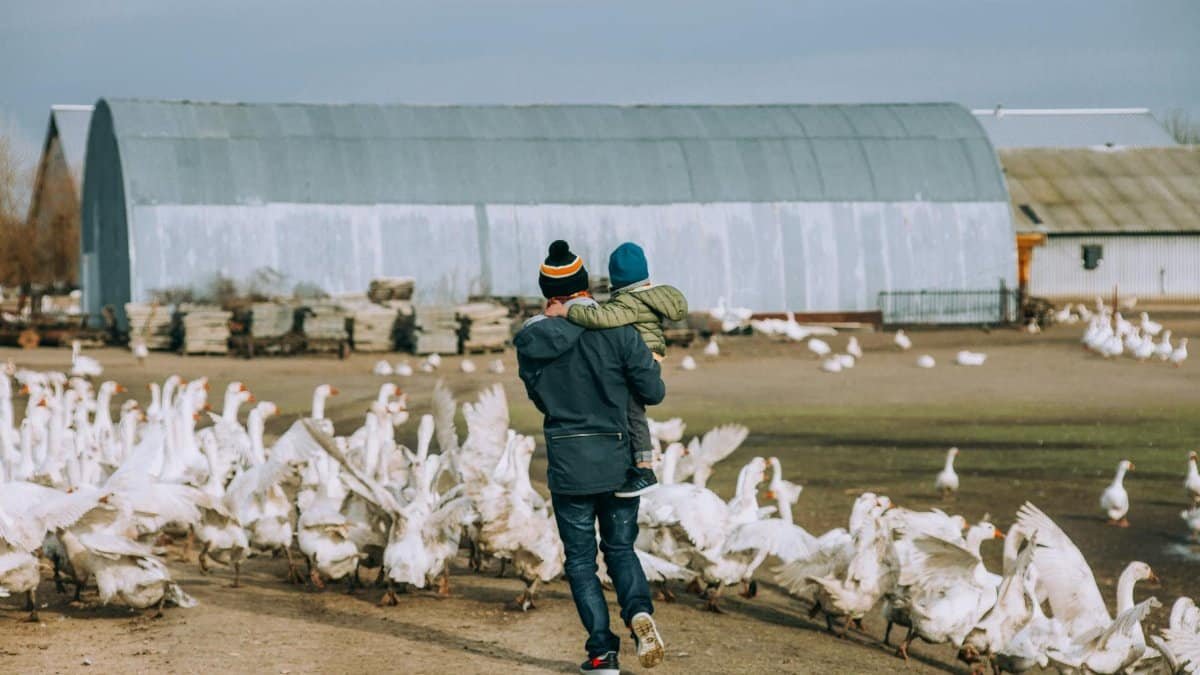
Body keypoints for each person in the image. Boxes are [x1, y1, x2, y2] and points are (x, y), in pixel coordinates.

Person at [515, 239, 667, 675]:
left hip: (568, 462)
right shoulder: (619, 331)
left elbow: (541, 399)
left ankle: (602, 654)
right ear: (586, 287)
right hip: (619, 460)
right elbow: (653, 393)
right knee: (620, 548)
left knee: (581, 561)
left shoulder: (531, 341)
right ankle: (638, 611)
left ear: (549, 292)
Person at [544, 241, 687, 498]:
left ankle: (644, 469)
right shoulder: (652, 294)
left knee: (633, 411)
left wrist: (567, 311)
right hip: (650, 351)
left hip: (639, 354)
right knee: (632, 409)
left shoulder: (628, 303)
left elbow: (601, 318)